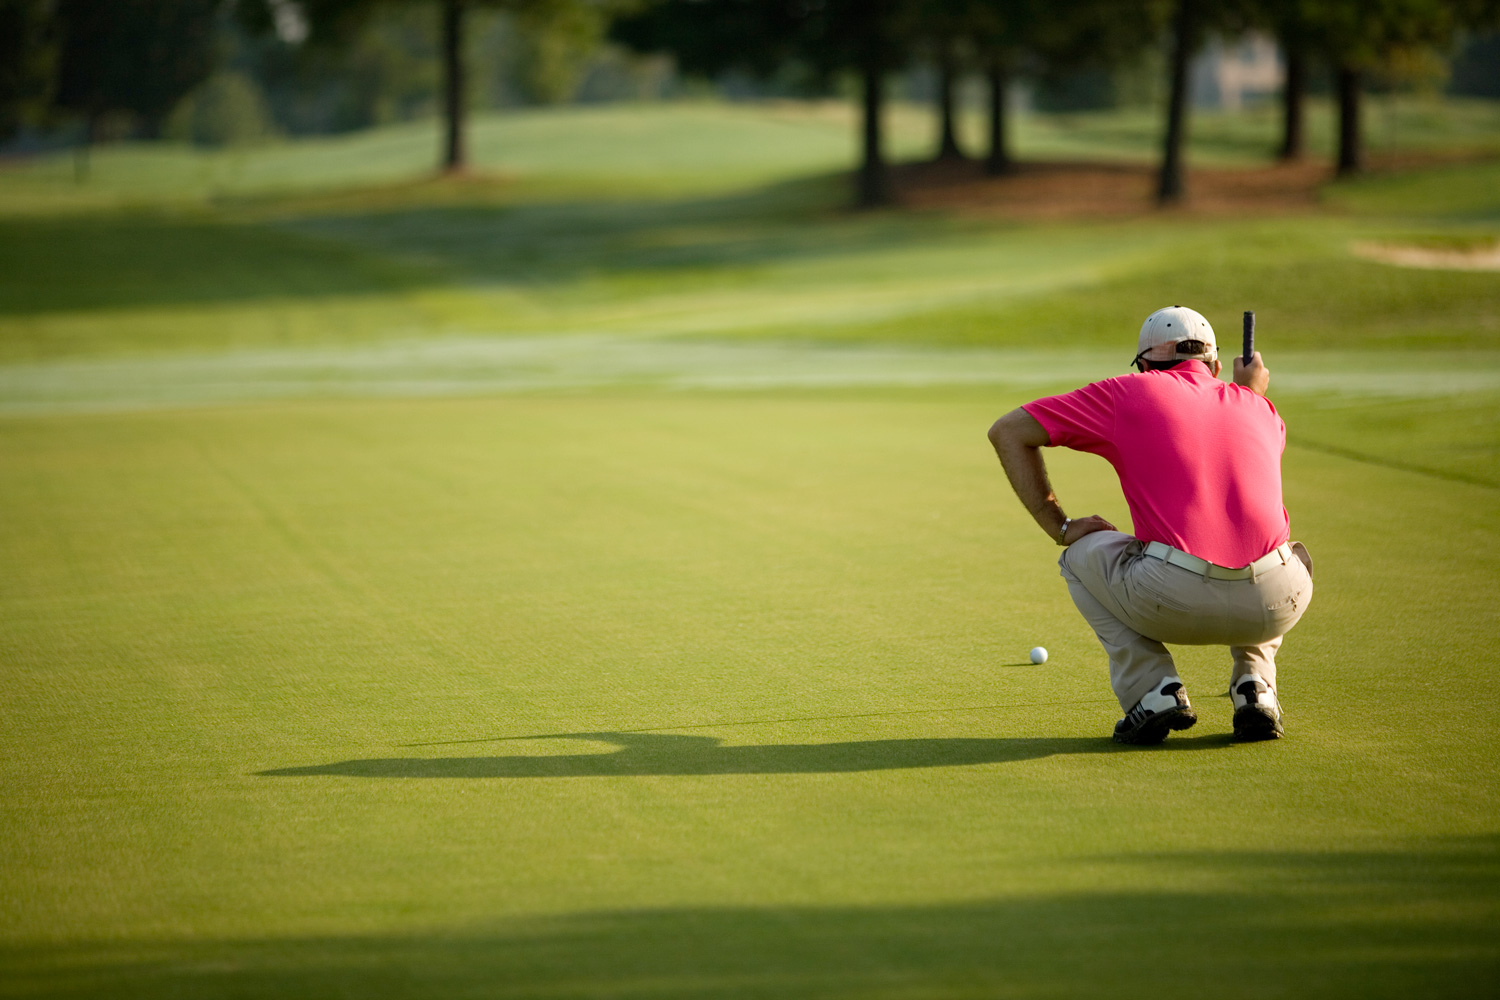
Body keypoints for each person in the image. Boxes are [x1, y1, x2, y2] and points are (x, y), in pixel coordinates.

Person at [987, 305, 1313, 745]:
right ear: (1215, 365)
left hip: (1173, 598)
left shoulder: (1128, 393)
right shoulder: (1264, 411)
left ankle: (1152, 689)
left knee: (1079, 553)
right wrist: (1251, 394)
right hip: (1278, 601)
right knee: (1284, 551)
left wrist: (1058, 525)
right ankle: (1256, 687)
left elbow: (1007, 430)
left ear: (1143, 365)